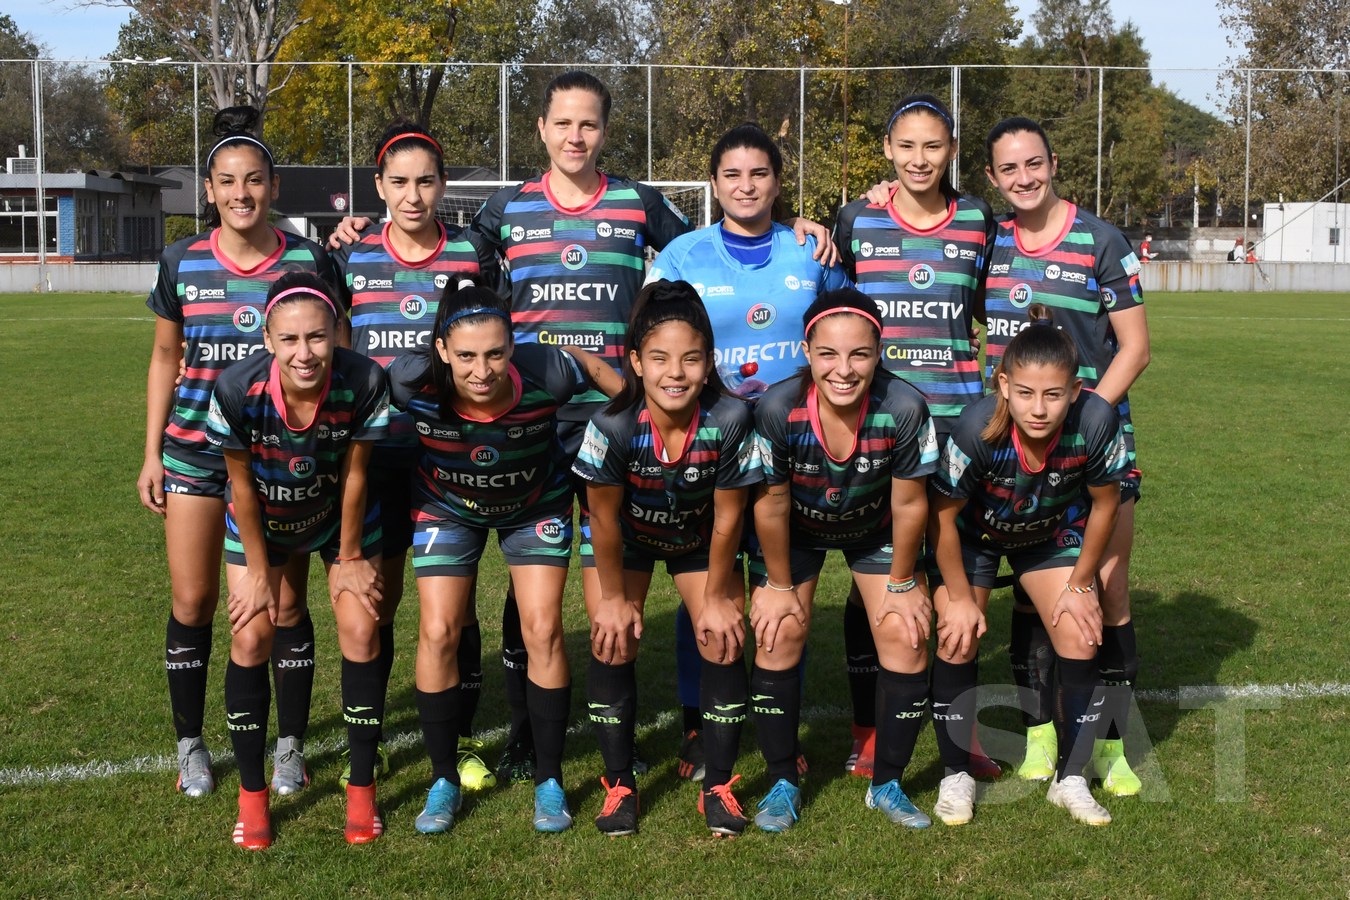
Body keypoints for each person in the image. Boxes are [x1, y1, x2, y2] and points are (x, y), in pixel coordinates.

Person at [139, 105, 336, 802]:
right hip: (195, 455)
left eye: (254, 180)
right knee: (194, 600)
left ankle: (288, 746)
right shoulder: (182, 261)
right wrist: (151, 453)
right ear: (210, 189)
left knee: (280, 607)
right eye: (228, 182)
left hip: (282, 464)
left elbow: (333, 359)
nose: (242, 193)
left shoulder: (311, 260)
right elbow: (167, 357)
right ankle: (190, 743)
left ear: (273, 187)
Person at [645, 122, 850, 780]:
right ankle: (700, 724)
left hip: (794, 447)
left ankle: (770, 728)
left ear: (777, 181)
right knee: (708, 587)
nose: (745, 185)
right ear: (713, 183)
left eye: (758, 173)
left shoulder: (808, 251)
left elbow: (843, 326)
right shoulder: (681, 256)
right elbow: (650, 335)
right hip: (708, 442)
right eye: (732, 174)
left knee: (779, 584)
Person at [387, 284, 620, 835]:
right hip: (446, 507)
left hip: (533, 504)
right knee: (439, 630)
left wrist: (591, 364)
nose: (482, 370)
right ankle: (443, 778)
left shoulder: (550, 372)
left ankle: (549, 779)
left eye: (495, 352)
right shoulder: (409, 379)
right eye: (465, 355)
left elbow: (626, 388)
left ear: (513, 345)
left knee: (543, 629)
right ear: (441, 351)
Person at [983, 116, 1150, 795]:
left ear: (1053, 163)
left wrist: (1083, 424)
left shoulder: (1101, 240)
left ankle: (1109, 747)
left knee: (1106, 590)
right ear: (993, 178)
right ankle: (1040, 736)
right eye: (1009, 169)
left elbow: (1134, 348)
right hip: (1015, 450)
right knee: (1031, 595)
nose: (1024, 178)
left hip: (1093, 443)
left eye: (1034, 164)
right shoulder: (988, 242)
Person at [330, 121, 498, 793]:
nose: (412, 194)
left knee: (453, 610)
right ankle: (365, 754)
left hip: (448, 459)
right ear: (379, 187)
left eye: (425, 180)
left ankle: (458, 745)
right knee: (375, 607)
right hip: (373, 463)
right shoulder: (350, 258)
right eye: (398, 182)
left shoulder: (471, 256)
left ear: (443, 185)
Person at [837, 93, 998, 780]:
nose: (919, 159)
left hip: (962, 426)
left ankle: (964, 740)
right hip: (880, 431)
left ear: (952, 151)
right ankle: (868, 730)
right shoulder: (857, 220)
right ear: (888, 150)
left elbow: (996, 307)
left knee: (959, 576)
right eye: (907, 146)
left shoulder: (977, 222)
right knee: (871, 580)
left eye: (933, 146)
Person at [205, 273, 390, 849]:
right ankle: (253, 797)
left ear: (338, 332)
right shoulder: (236, 390)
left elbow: (358, 474)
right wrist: (259, 572)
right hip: (264, 519)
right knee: (250, 637)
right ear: (267, 339)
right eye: (289, 340)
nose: (305, 353)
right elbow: (238, 487)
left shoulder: (364, 379)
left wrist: (354, 555)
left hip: (340, 521)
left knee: (361, 629)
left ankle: (362, 792)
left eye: (317, 337)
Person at [928, 304, 1130, 826]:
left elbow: (1106, 504)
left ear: (1076, 388)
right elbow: (942, 516)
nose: (1038, 408)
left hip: (1044, 536)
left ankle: (1072, 778)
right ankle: (956, 775)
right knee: (956, 635)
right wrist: (955, 597)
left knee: (1081, 633)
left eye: (1053, 394)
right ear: (1003, 385)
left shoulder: (1096, 419)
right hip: (973, 538)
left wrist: (1081, 585)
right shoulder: (977, 428)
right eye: (1025, 393)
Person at [571, 280, 761, 837]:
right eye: (658, 358)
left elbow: (729, 518)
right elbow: (601, 519)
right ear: (634, 362)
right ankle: (619, 784)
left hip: (700, 540)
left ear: (709, 363)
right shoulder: (611, 426)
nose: (674, 373)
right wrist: (612, 599)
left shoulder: (729, 420)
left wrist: (720, 599)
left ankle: (718, 787)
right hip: (624, 540)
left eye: (690, 358)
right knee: (613, 638)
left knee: (722, 639)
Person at [748, 288, 937, 832]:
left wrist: (903, 582)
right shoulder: (777, 408)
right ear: (807, 351)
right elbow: (773, 503)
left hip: (872, 528)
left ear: (880, 352)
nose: (844, 369)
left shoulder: (904, 406)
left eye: (860, 354)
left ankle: (888, 783)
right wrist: (779, 586)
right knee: (778, 631)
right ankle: (783, 780)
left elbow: (908, 503)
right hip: (797, 531)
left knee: (905, 633)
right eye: (829, 353)